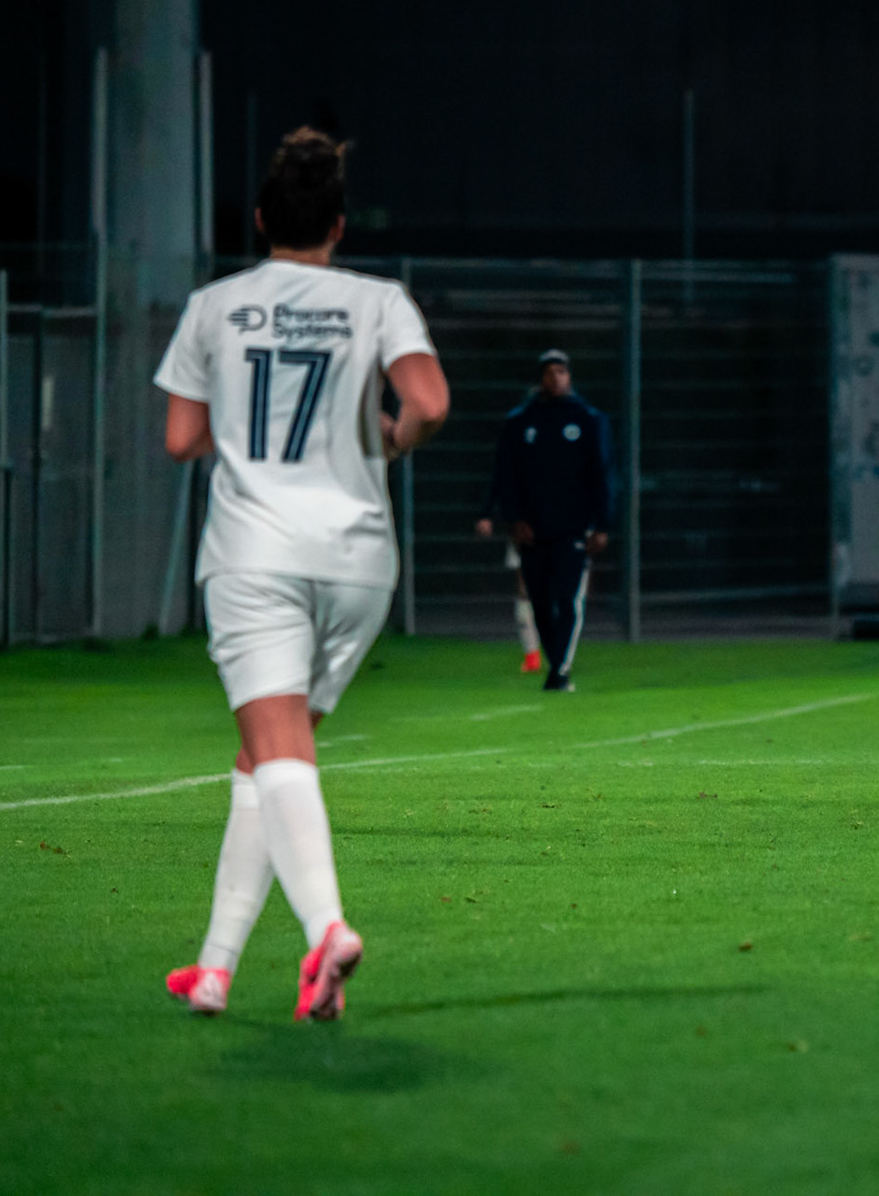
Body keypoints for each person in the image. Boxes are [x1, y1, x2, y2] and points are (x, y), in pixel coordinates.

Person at [156, 127, 450, 1020]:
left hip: (257, 553)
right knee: (264, 753)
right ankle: (214, 968)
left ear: (258, 220)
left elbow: (179, 440)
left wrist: (239, 433)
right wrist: (393, 440)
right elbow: (428, 404)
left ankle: (326, 928)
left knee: (278, 746)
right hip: (360, 559)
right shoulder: (378, 300)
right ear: (339, 225)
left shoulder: (216, 306)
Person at [490, 349, 614, 691]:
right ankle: (553, 661)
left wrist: (601, 524)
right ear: (540, 378)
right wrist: (513, 518)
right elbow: (507, 474)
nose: (556, 378)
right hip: (532, 530)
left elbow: (602, 475)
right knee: (539, 601)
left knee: (567, 597)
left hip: (573, 527)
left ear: (569, 376)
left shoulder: (588, 419)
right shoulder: (521, 421)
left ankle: (559, 668)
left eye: (561, 372)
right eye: (549, 372)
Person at [475, 448, 544, 674]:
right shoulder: (518, 446)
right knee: (525, 589)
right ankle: (532, 655)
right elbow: (500, 481)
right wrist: (485, 514)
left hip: (559, 530)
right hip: (523, 530)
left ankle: (558, 650)